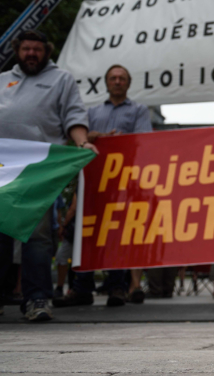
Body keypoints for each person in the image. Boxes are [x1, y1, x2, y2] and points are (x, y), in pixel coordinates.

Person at [0, 30, 98, 322]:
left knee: (38, 235)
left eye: (37, 49)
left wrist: (82, 144)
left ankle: (37, 298)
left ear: (47, 52)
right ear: (18, 50)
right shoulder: (2, 80)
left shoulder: (62, 80)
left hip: (39, 173)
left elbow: (74, 117)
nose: (32, 54)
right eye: (26, 48)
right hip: (3, 171)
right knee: (0, 235)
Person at [54, 65, 152, 308]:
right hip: (95, 183)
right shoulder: (91, 112)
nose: (117, 82)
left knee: (117, 234)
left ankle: (117, 287)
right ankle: (81, 288)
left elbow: (145, 141)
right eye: (113, 78)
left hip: (124, 183)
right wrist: (92, 139)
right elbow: (77, 142)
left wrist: (118, 142)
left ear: (128, 84)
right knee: (85, 234)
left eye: (122, 78)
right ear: (106, 83)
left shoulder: (139, 110)